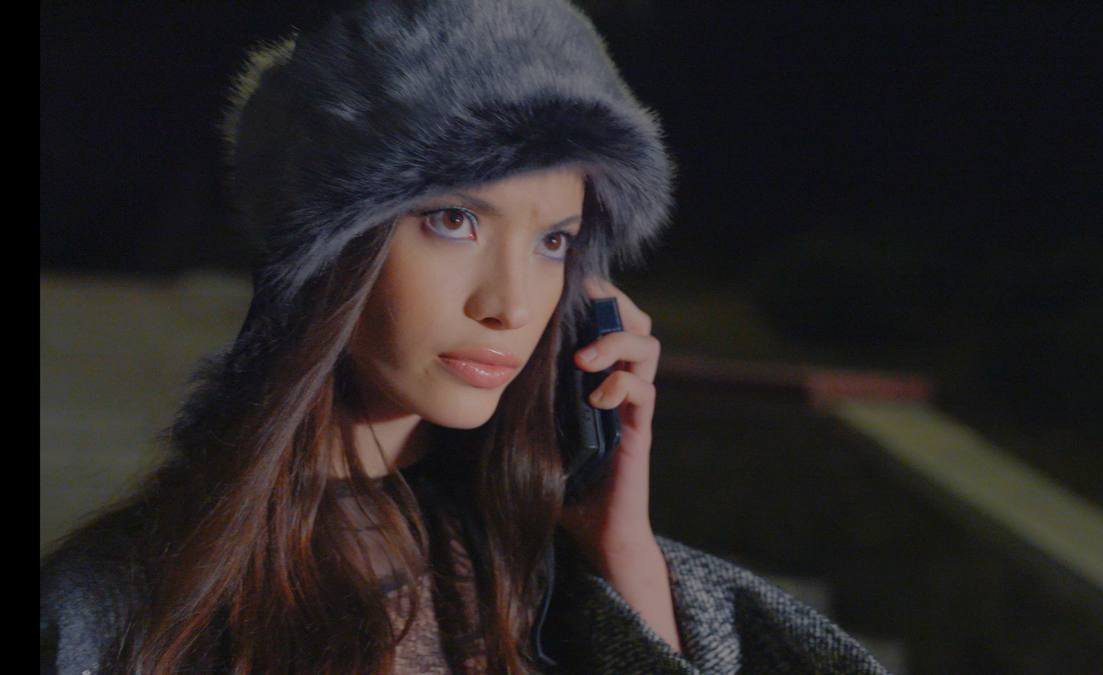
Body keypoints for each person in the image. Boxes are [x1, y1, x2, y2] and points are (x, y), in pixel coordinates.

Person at [39, 1, 890, 672]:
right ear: (331, 243)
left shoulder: (543, 579)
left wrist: (620, 542)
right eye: (454, 220)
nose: (511, 304)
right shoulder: (115, 607)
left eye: (553, 242)